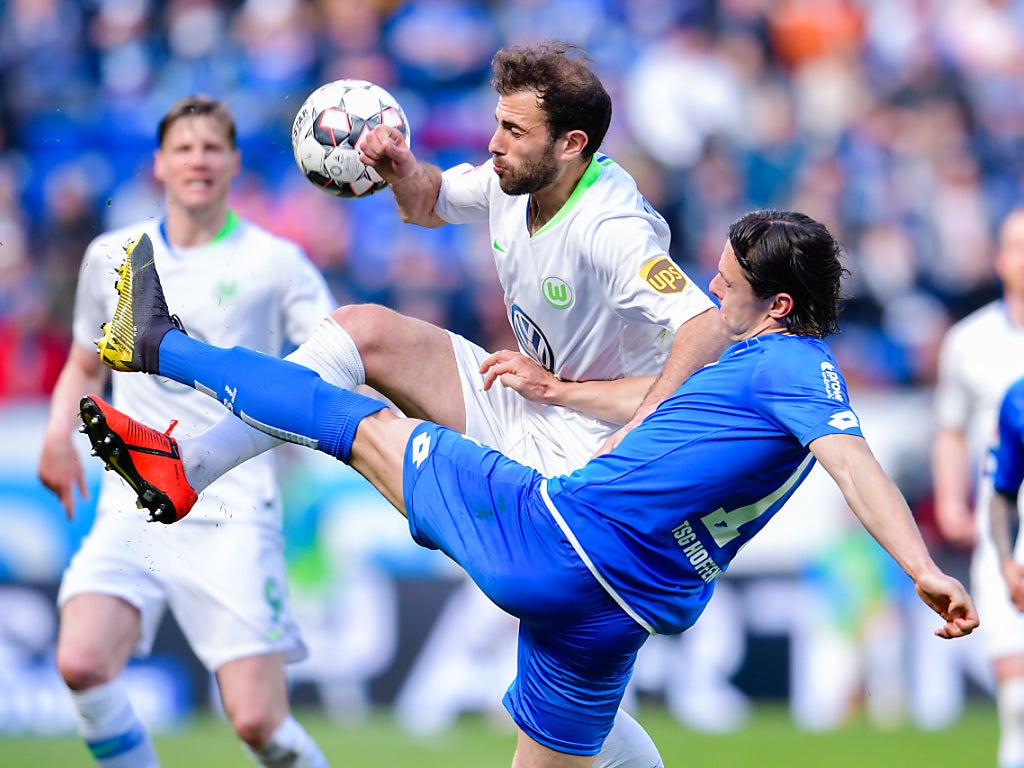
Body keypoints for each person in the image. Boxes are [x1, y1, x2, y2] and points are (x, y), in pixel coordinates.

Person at [77, 209, 978, 768]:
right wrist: (562, 393)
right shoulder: (756, 375)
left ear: (778, 307)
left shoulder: (791, 367)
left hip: (557, 537)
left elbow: (854, 463)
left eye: (730, 285)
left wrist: (921, 567)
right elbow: (663, 406)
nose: (712, 290)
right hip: (618, 614)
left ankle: (160, 346)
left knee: (360, 423)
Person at [126, 40, 724, 766]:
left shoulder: (613, 228)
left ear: (571, 145)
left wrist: (571, 393)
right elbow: (429, 203)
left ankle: (169, 372)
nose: (494, 144)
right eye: (496, 123)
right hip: (526, 400)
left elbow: (705, 331)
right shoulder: (514, 179)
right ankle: (187, 462)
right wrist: (401, 169)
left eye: (513, 131)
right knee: (363, 332)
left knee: (569, 699)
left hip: (586, 459)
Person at [37, 96, 335, 768]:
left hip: (231, 507)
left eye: (211, 148)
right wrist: (59, 431)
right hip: (131, 500)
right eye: (183, 148)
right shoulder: (114, 254)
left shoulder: (276, 263)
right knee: (82, 662)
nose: (197, 159)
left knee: (259, 724)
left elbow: (335, 358)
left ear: (233, 163)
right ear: (159, 165)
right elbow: (85, 364)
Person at [932, 206, 1024, 768]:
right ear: (999, 259)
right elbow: (950, 430)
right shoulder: (970, 340)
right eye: (1017, 245)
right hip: (1004, 516)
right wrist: (949, 500)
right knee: (1016, 695)